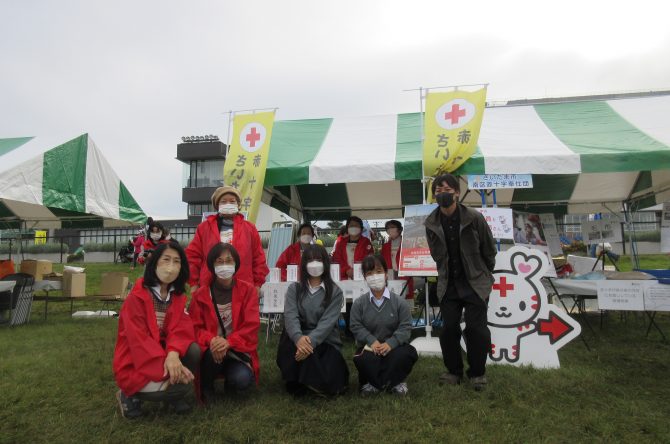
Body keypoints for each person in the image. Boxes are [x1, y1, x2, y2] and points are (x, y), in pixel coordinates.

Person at [424, 173, 497, 391]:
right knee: (448, 329)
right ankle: (453, 371)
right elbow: (436, 255)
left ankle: (477, 373)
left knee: (477, 329)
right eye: (438, 191)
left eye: (446, 190)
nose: (442, 194)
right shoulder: (431, 223)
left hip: (475, 282)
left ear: (457, 192)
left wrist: (481, 272)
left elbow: (489, 249)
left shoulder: (474, 217)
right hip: (449, 284)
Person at [113, 242, 199, 418]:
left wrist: (174, 354)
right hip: (137, 360)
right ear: (155, 263)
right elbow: (139, 342)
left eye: (177, 261)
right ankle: (128, 394)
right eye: (166, 260)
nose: (171, 266)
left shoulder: (178, 296)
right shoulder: (137, 297)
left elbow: (182, 329)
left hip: (163, 354)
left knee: (194, 351)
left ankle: (171, 385)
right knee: (180, 386)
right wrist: (168, 366)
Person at [189, 243, 259, 404]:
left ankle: (231, 380)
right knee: (211, 355)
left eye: (229, 260)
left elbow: (251, 326)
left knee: (242, 379)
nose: (225, 265)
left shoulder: (247, 291)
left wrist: (228, 342)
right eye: (219, 261)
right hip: (211, 350)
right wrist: (212, 340)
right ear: (212, 265)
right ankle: (207, 386)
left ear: (236, 264)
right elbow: (194, 327)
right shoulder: (201, 294)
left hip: (236, 349)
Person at [276, 244, 349, 396]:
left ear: (326, 263)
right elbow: (291, 317)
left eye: (318, 259)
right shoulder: (294, 289)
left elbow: (326, 324)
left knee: (325, 366)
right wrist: (298, 339)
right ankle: (307, 382)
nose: (314, 264)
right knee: (294, 352)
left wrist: (308, 343)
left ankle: (305, 382)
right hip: (297, 339)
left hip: (325, 341)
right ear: (303, 264)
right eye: (310, 260)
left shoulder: (335, 292)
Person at [350, 255, 417, 396]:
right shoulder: (359, 303)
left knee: (405, 355)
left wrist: (390, 344)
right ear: (365, 277)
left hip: (394, 348)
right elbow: (355, 326)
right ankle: (386, 383)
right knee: (363, 359)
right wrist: (372, 341)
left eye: (379, 271)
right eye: (369, 273)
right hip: (369, 348)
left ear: (386, 274)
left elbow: (405, 327)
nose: (375, 276)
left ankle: (384, 383)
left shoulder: (399, 302)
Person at [186, 186, 269, 294]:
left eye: (232, 201)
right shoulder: (203, 228)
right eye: (223, 201)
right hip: (210, 286)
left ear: (238, 205)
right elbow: (193, 257)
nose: (228, 204)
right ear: (217, 205)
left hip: (244, 286)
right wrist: (194, 284)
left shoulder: (250, 228)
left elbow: (258, 258)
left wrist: (257, 284)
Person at [331, 216, 374, 280]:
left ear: (361, 229)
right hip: (344, 278)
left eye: (356, 225)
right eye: (351, 225)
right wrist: (347, 270)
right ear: (347, 228)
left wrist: (357, 271)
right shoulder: (340, 242)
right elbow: (337, 258)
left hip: (361, 277)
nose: (354, 227)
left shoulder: (366, 242)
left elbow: (369, 260)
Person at [381, 219, 414, 298]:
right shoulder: (385, 247)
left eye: (392, 227)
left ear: (400, 229)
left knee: (405, 302)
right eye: (388, 228)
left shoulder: (408, 243)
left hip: (405, 277)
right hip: (390, 278)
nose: (390, 230)